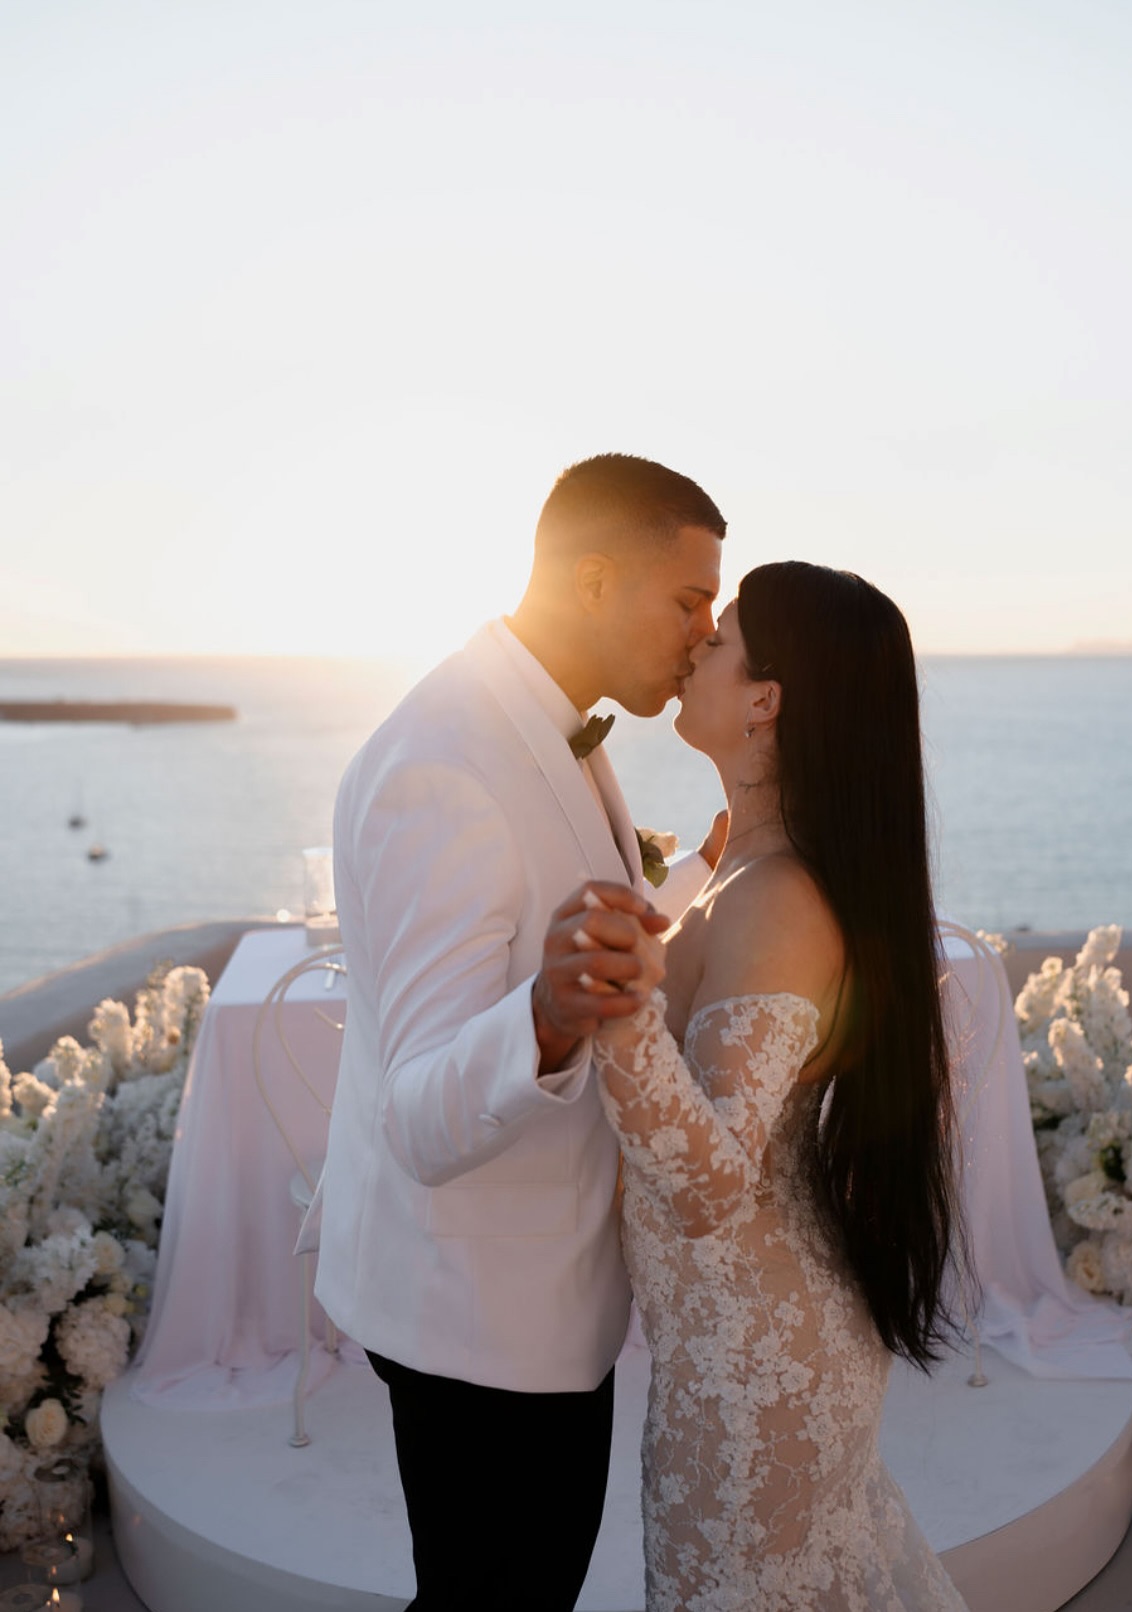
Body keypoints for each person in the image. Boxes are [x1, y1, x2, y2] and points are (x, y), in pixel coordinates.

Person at [308, 454, 726, 1612]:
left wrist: (696, 877)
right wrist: (544, 1017)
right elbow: (419, 1115)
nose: (704, 635)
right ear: (595, 579)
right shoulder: (445, 763)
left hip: (531, 1300)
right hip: (482, 1323)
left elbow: (570, 918)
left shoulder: (530, 717)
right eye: (689, 601)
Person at [586, 561, 971, 1610]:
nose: (694, 646)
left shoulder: (785, 900)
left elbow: (710, 1185)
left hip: (757, 1370)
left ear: (765, 700)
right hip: (740, 1343)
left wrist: (609, 996)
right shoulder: (747, 873)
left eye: (721, 642)